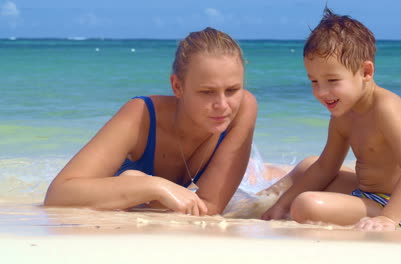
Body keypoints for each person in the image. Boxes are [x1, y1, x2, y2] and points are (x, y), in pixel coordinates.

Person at [44, 27, 257, 216]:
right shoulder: (141, 116)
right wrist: (152, 186)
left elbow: (209, 208)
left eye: (232, 90)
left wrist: (147, 194)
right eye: (207, 92)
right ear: (177, 87)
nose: (222, 105)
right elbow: (58, 194)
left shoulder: (244, 108)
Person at [261, 8, 401, 231]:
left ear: (366, 72)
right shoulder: (343, 113)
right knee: (308, 166)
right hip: (363, 192)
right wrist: (281, 205)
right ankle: (257, 203)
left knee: (305, 204)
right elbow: (325, 168)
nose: (322, 91)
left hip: (393, 206)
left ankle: (285, 207)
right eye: (314, 81)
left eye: (332, 80)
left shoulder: (386, 108)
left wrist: (389, 218)